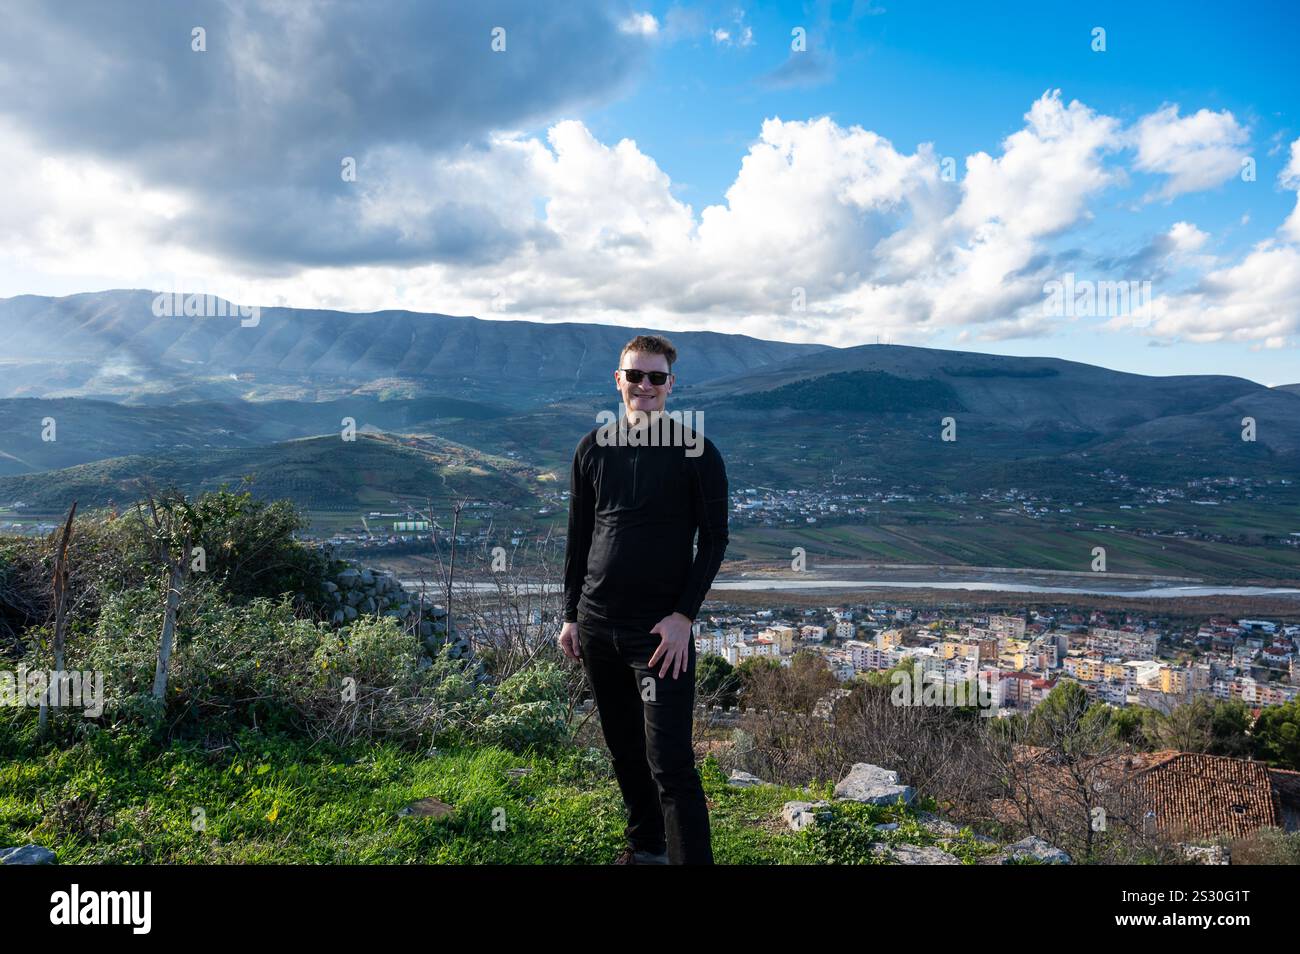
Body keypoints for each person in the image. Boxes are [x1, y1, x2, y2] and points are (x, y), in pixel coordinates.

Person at [558, 334, 729, 865]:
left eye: (656, 377)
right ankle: (648, 849)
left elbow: (715, 540)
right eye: (635, 375)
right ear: (619, 380)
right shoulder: (592, 448)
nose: (645, 385)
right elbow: (579, 537)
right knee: (624, 750)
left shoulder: (697, 453)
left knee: (670, 763)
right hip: (596, 625)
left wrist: (683, 617)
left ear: (671, 384)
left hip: (658, 635)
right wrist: (570, 615)